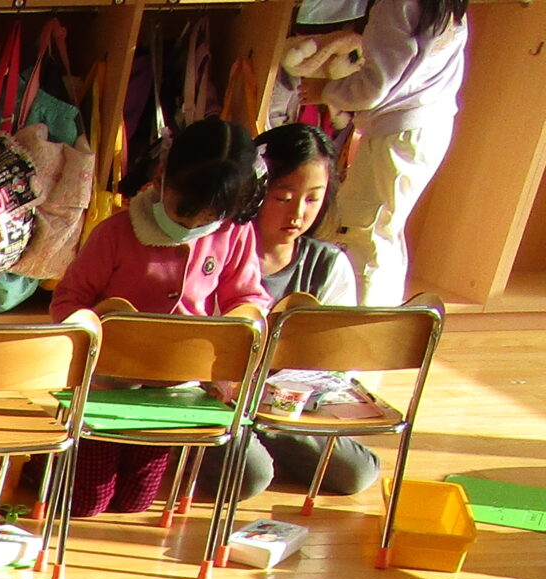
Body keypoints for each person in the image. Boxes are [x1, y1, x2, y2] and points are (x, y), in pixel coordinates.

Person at [54, 117, 269, 515]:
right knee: (87, 503)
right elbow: (68, 300)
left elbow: (248, 298)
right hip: (106, 385)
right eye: (182, 215)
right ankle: (46, 461)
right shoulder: (116, 233)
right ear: (160, 176)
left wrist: (231, 346)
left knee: (136, 502)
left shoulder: (233, 234)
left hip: (175, 388)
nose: (191, 229)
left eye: (206, 221)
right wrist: (89, 337)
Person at [201, 123, 381, 500]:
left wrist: (286, 396)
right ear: (256, 190)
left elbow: (335, 360)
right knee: (250, 476)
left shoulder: (328, 264)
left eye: (313, 199)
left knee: (356, 472)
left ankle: (263, 442)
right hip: (214, 399)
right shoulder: (215, 250)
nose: (298, 213)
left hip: (283, 404)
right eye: (283, 197)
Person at [318, 0, 469, 305]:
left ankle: (362, 323)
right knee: (383, 230)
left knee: (365, 232)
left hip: (400, 133)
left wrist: (325, 92)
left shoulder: (397, 5)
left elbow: (375, 87)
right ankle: (383, 318)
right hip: (428, 125)